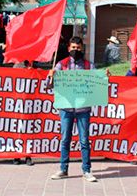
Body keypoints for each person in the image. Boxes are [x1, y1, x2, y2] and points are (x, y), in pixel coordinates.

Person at [48, 36, 97, 182]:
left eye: (78, 48)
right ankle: (63, 169)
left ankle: (87, 170)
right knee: (65, 140)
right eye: (73, 48)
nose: (76, 50)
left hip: (83, 109)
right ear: (69, 48)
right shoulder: (61, 65)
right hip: (66, 109)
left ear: (82, 48)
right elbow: (49, 85)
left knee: (84, 140)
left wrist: (104, 78)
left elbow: (98, 84)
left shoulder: (89, 65)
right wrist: (50, 77)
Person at [12, 60, 34, 166]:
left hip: (30, 102)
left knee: (28, 130)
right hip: (18, 103)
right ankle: (17, 155)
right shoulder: (17, 64)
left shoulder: (32, 64)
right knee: (17, 129)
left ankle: (27, 155)